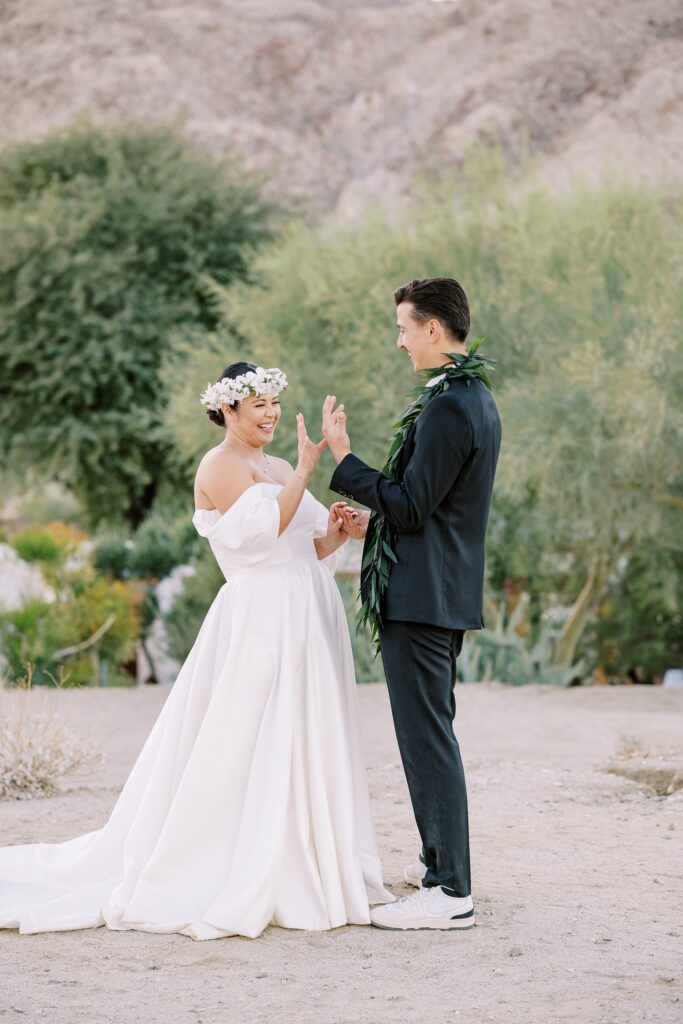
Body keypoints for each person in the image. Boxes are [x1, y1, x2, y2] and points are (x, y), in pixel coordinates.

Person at [0, 362, 394, 940]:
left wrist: (338, 530)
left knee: (304, 731)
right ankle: (245, 864)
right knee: (253, 735)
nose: (270, 414)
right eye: (257, 404)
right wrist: (311, 465)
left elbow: (304, 545)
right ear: (227, 410)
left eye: (273, 402)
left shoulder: (278, 465)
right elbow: (259, 538)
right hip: (260, 617)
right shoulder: (220, 465)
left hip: (306, 610)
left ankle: (304, 857)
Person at [322, 278, 502, 931]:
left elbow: (411, 503)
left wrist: (345, 458)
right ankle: (438, 872)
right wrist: (377, 528)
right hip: (436, 587)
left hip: (425, 600)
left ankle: (451, 891)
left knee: (426, 739)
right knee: (428, 735)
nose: (398, 340)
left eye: (403, 327)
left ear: (432, 328)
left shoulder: (453, 406)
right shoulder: (468, 398)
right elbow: (432, 513)